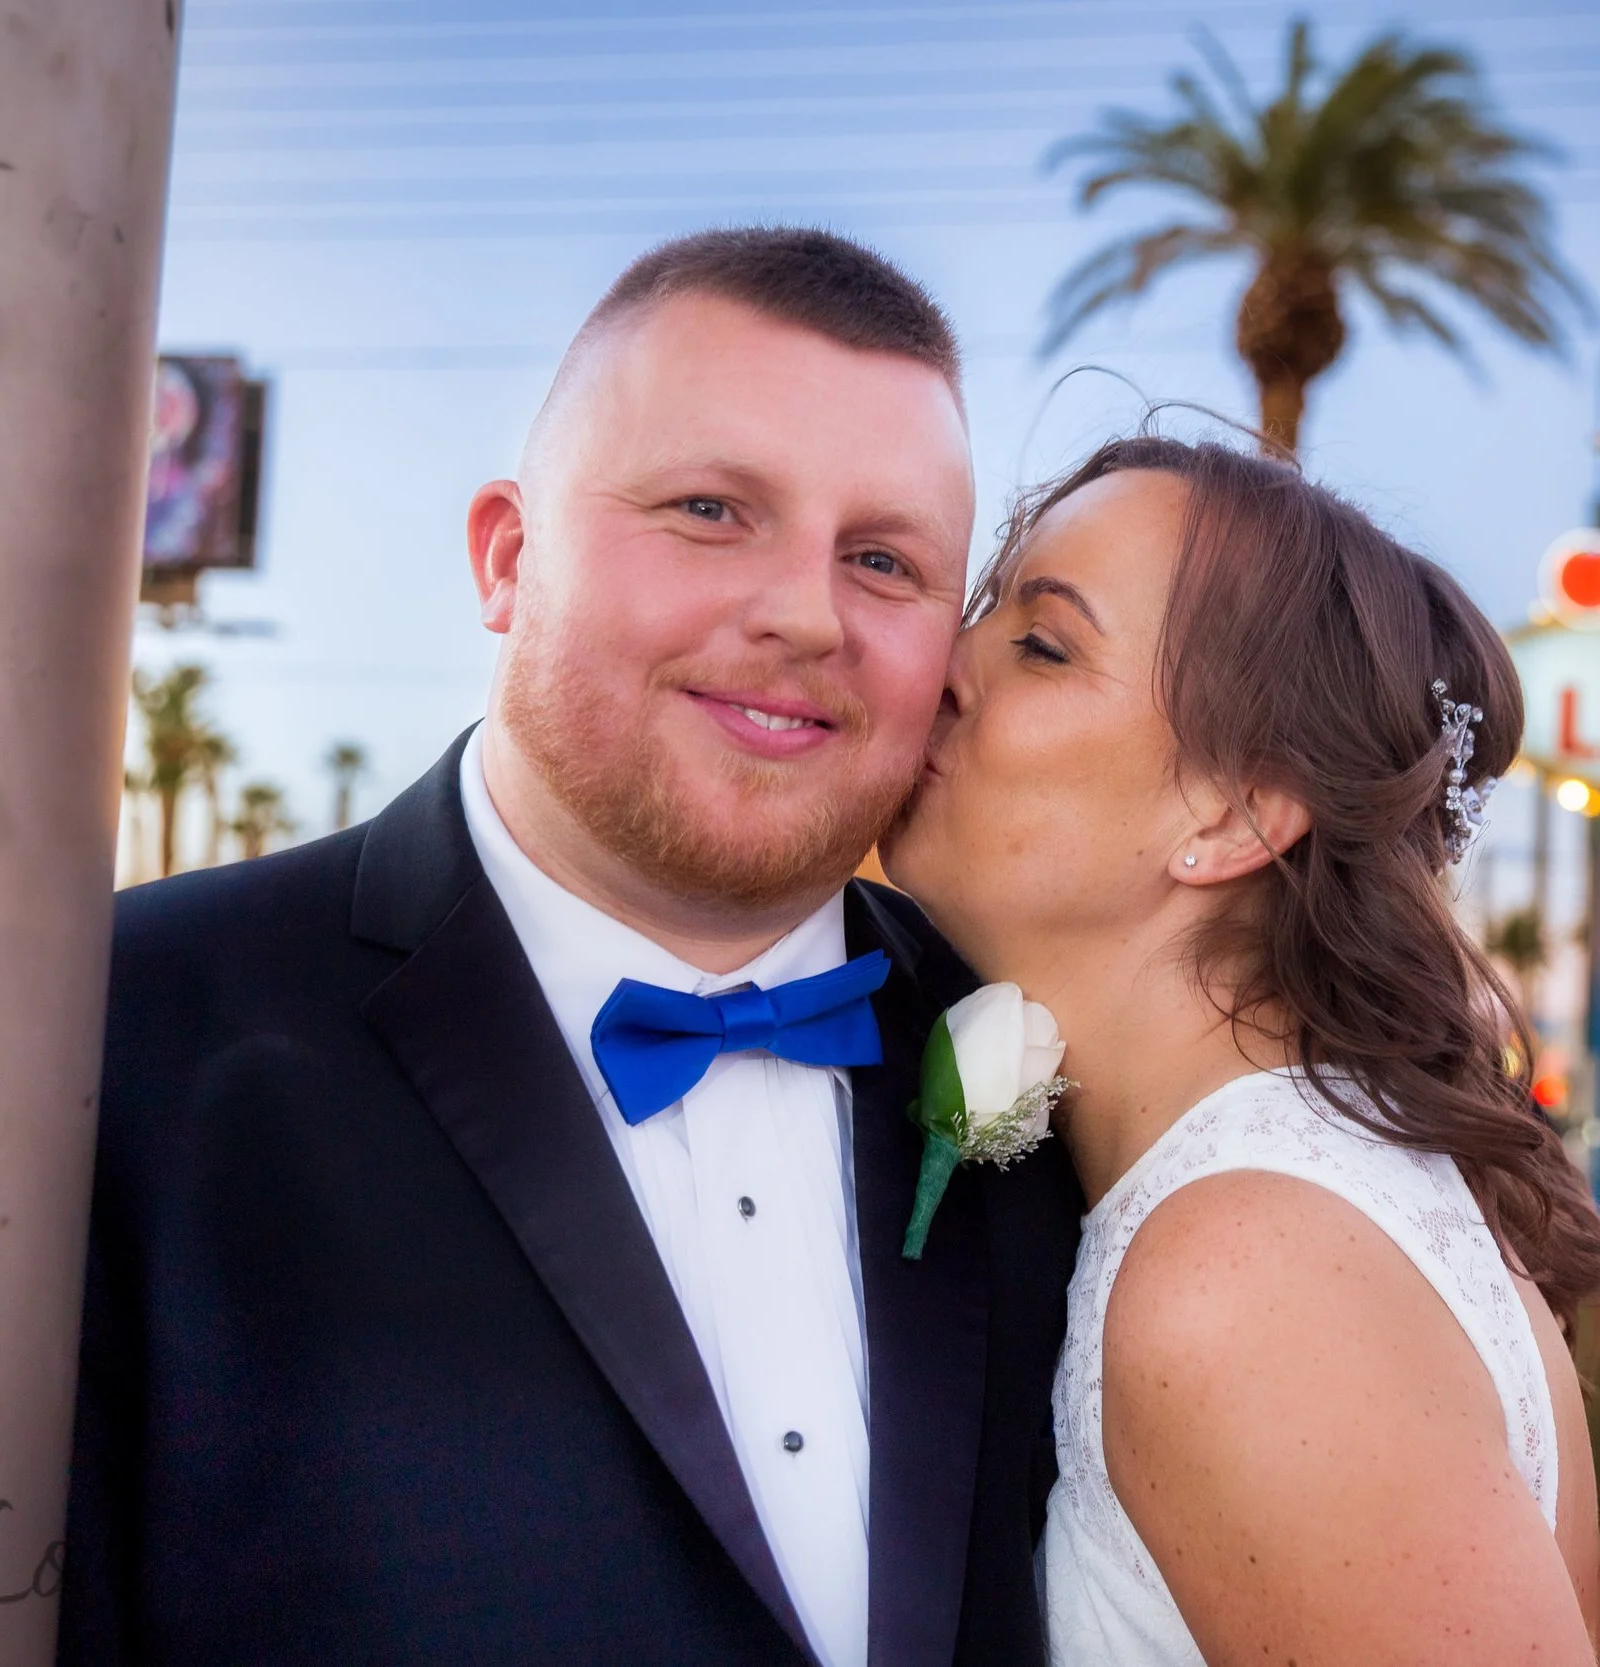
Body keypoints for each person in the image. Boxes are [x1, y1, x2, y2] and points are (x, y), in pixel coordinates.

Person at [60, 229, 1085, 1666]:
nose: (806, 613)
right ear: (508, 554)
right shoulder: (120, 1031)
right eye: (711, 510)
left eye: (882, 558)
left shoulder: (1056, 1056)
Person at [882, 436, 1600, 1664]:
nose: (941, 662)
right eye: (983, 607)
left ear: (1234, 814)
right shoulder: (1297, 1198)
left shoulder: (1251, 1277)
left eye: (1044, 643)